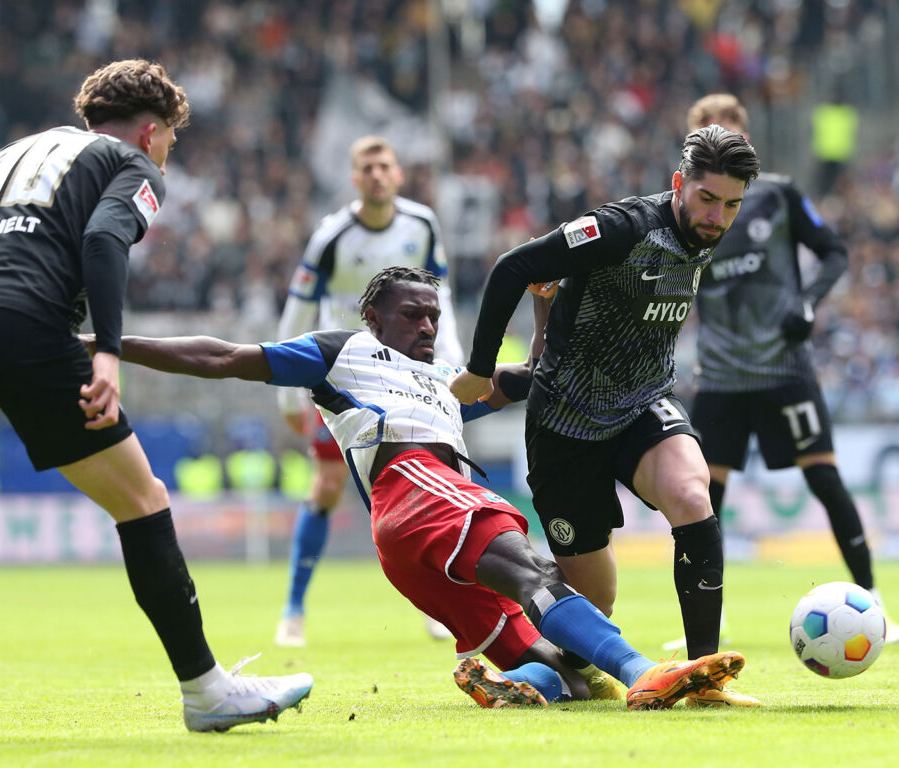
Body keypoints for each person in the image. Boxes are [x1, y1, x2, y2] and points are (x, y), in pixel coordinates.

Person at [0, 59, 312, 740]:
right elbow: (105, 238)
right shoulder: (131, 164)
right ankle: (206, 690)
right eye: (169, 138)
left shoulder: (10, 158)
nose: (168, 152)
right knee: (143, 501)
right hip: (26, 325)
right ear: (149, 130)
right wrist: (107, 350)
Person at [90, 265, 751, 711]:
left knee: (576, 673)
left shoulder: (443, 386)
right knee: (540, 574)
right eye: (412, 315)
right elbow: (222, 357)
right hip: (416, 485)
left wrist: (542, 307)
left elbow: (533, 375)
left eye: (434, 316)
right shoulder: (343, 351)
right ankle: (647, 673)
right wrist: (110, 345)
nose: (428, 327)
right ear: (373, 317)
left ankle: (507, 680)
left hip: (414, 538)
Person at [450, 126, 763, 707]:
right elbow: (514, 266)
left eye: (731, 205)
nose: (718, 216)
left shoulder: (706, 234)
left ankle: (703, 679)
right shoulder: (622, 228)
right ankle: (536, 675)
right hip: (564, 427)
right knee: (595, 605)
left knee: (693, 496)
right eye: (708, 199)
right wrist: (479, 368)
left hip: (642, 404)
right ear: (678, 185)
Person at [671, 93, 897, 646]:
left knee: (824, 478)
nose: (715, 140)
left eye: (724, 130)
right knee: (701, 495)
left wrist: (810, 304)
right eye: (703, 132)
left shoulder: (776, 194)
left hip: (783, 367)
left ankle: (873, 608)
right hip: (721, 375)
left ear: (745, 139)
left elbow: (834, 252)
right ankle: (708, 619)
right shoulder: (683, 209)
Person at [274, 135, 462, 647]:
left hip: (406, 373)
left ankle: (437, 607)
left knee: (429, 482)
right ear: (355, 178)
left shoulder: (421, 224)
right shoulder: (332, 235)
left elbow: (438, 296)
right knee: (328, 484)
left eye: (385, 165)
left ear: (398, 174)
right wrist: (289, 392)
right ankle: (293, 609)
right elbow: (299, 305)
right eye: (367, 168)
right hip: (346, 373)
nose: (377, 174)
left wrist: (450, 359)